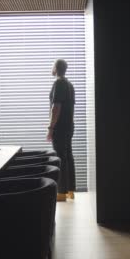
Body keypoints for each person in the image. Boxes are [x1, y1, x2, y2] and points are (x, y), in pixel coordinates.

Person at [47, 59, 76, 202]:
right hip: (69, 126)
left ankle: (61, 193)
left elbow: (56, 108)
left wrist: (51, 128)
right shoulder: (70, 85)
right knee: (68, 156)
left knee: (60, 157)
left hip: (60, 127)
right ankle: (70, 190)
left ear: (56, 68)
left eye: (52, 65)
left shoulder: (58, 83)